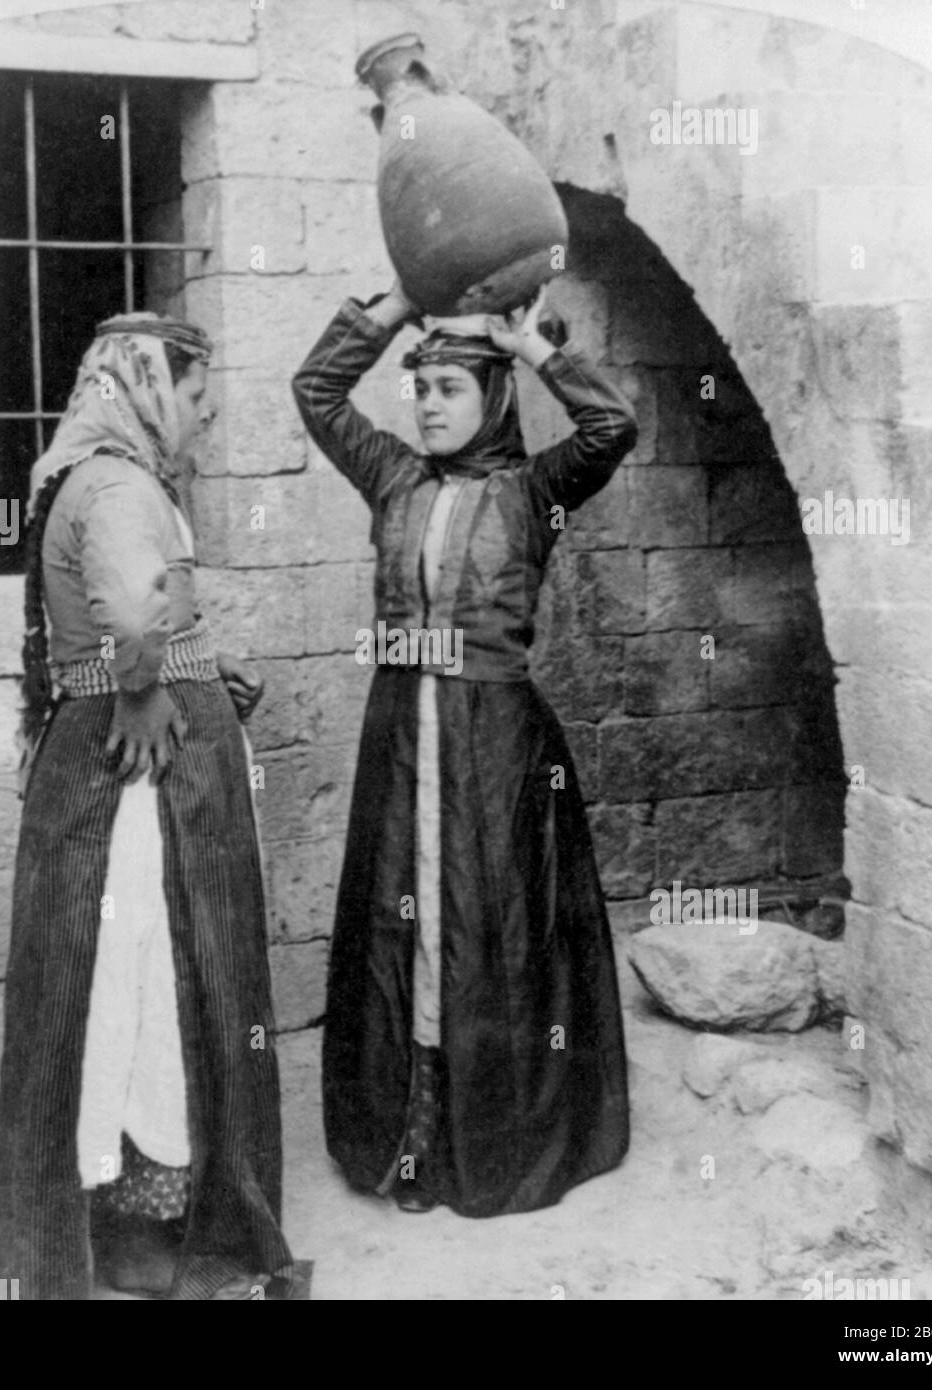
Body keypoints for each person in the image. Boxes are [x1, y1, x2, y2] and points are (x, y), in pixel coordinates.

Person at [292, 281, 638, 1218]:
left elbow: (611, 427)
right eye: (421, 388)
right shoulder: (392, 477)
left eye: (450, 388)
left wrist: (529, 346)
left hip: (496, 746)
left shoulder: (533, 491)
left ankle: (493, 1140)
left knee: (492, 929)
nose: (429, 405)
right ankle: (407, 1136)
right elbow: (316, 392)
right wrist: (401, 305)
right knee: (402, 930)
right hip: (401, 734)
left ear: (491, 397)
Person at [0, 312, 303, 1299]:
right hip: (141, 776)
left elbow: (127, 614)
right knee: (156, 972)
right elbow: (130, 616)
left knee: (114, 980)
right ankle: (161, 1223)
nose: (202, 417)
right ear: (145, 385)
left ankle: (117, 1212)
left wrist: (203, 665)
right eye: (194, 397)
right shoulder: (123, 484)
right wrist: (148, 688)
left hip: (110, 759)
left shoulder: (82, 473)